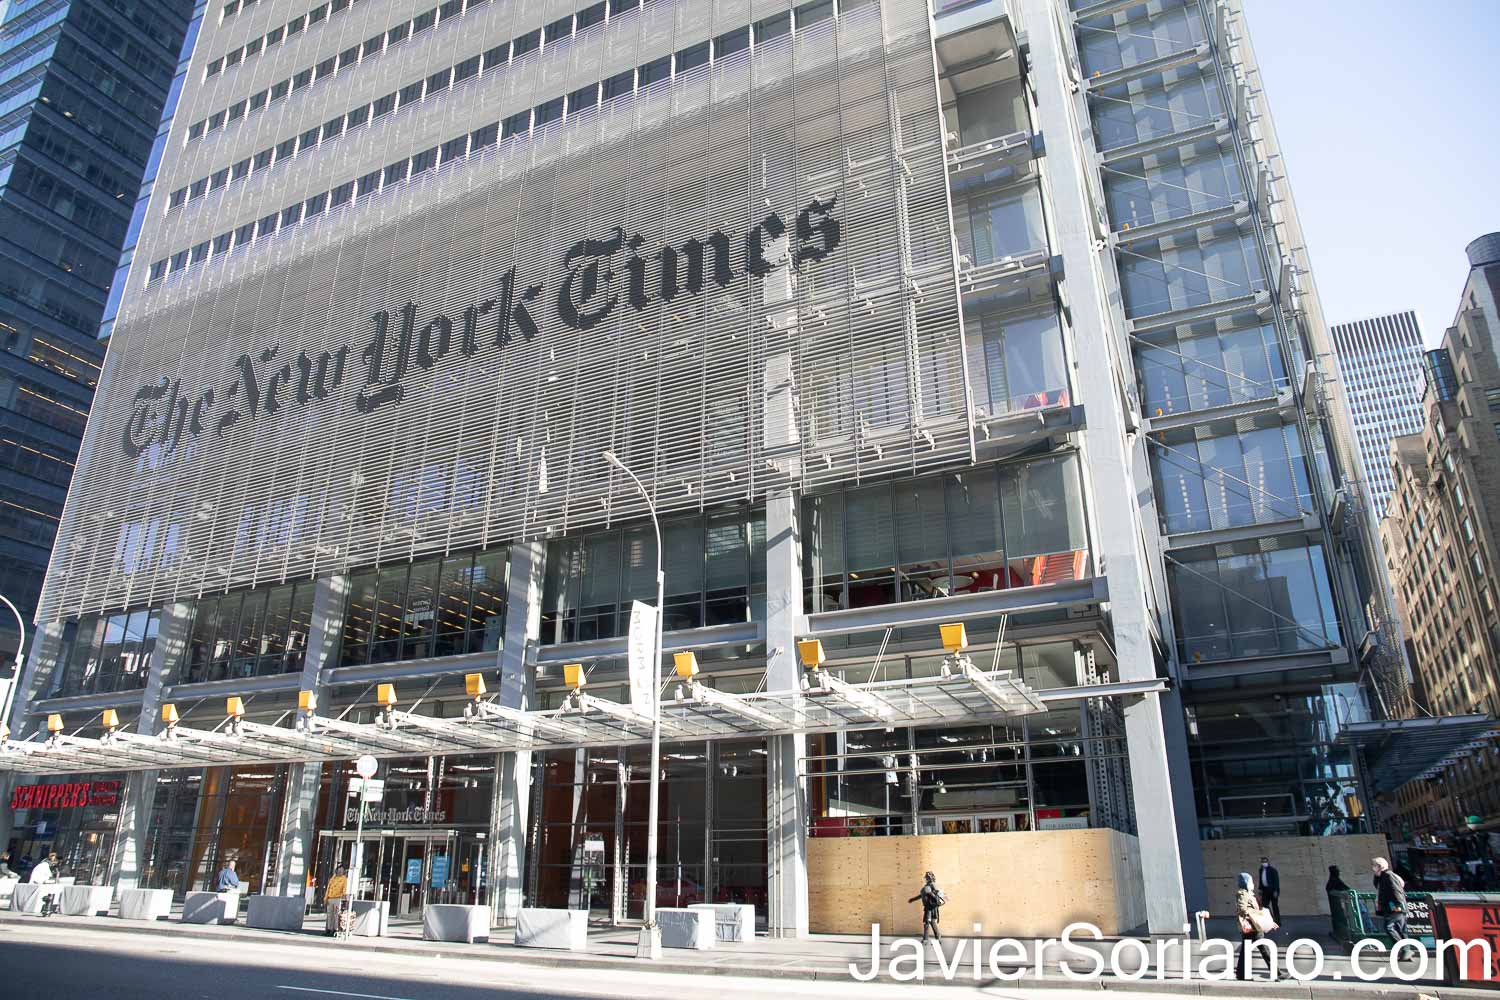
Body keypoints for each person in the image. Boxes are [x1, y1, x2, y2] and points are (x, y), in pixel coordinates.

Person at [1235, 872, 1284, 980]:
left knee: (1246, 950)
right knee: (1264, 949)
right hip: (1253, 927)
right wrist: (1257, 916)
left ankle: (1241, 974)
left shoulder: (1249, 893)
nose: (1252, 883)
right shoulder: (1243, 893)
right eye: (1251, 881)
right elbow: (1242, 909)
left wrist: (1268, 921)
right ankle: (1277, 973)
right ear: (1246, 883)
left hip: (1252, 927)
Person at [1372, 857, 1408, 941]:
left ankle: (1404, 948)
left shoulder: (1389, 875)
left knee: (1390, 927)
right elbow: (1376, 885)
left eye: (1374, 866)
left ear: (1379, 866)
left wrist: (1397, 906)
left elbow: (1396, 891)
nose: (1372, 868)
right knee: (1399, 929)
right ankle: (1405, 949)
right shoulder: (1381, 877)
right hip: (1391, 907)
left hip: (1395, 906)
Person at [907, 871, 945, 945]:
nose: (925, 878)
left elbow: (937, 893)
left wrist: (930, 893)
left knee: (927, 923)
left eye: (926, 877)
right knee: (931, 922)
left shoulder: (932, 884)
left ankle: (926, 939)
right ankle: (938, 938)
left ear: (929, 878)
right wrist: (913, 899)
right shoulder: (927, 886)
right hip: (928, 907)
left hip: (930, 908)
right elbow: (921, 895)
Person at [324, 864, 350, 937]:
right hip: (330, 898)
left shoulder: (344, 879)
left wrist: (344, 899)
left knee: (336, 915)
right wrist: (326, 898)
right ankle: (329, 929)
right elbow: (328, 889)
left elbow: (344, 889)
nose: (340, 872)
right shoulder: (332, 878)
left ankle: (335, 929)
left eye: (341, 870)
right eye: (339, 870)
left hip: (338, 898)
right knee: (330, 915)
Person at [1258, 855, 1282, 924]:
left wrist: (1276, 891)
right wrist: (1260, 889)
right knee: (1265, 905)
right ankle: (1271, 919)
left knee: (1275, 906)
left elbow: (1276, 881)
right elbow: (1261, 880)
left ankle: (1278, 922)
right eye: (1262, 862)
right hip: (1265, 890)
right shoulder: (1261, 870)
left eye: (1265, 861)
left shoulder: (1272, 870)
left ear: (1268, 862)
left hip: (1273, 891)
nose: (1264, 863)